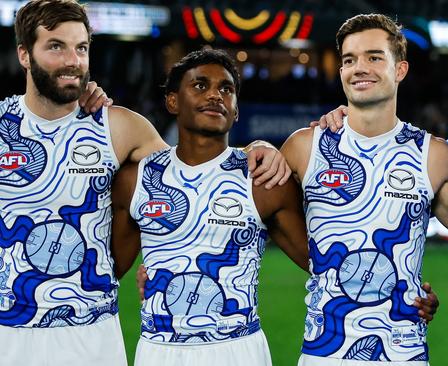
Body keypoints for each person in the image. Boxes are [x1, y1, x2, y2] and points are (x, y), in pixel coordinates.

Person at [0, 1, 289, 365]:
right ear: (25, 55)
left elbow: (195, 169)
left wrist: (257, 147)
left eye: (82, 48)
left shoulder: (118, 127)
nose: (73, 60)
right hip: (7, 329)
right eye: (56, 46)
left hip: (92, 330)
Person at [110, 49, 310, 366]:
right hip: (159, 349)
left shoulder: (262, 181)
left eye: (226, 89)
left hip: (237, 349)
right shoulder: (136, 180)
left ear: (236, 110)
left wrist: (410, 295)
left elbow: (325, 265)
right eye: (201, 85)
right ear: (172, 101)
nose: (215, 95)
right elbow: (105, 271)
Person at [281, 13, 448, 365]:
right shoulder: (305, 147)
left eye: (374, 57)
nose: (360, 68)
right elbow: (239, 206)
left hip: (402, 352)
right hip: (323, 354)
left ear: (400, 70)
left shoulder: (434, 156)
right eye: (350, 60)